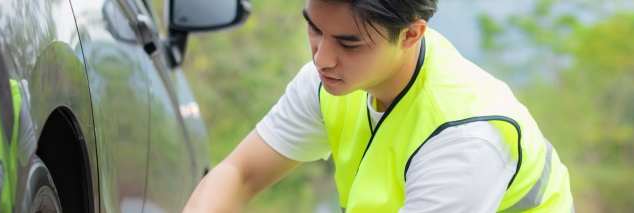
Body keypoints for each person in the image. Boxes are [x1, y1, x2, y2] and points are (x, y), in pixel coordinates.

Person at [182, 0, 574, 212]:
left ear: (411, 34)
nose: (322, 57)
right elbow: (240, 174)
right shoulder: (329, 79)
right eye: (314, 29)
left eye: (348, 43)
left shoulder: (466, 137)